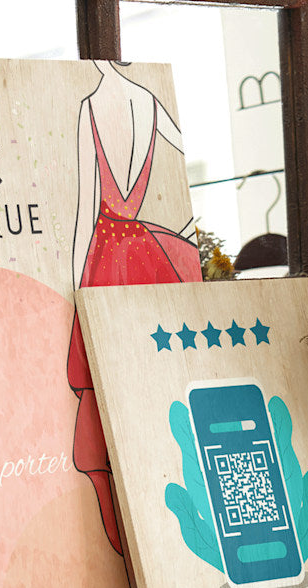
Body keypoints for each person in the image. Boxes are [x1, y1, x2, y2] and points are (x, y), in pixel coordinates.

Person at [68, 61, 201, 555]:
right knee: (158, 387)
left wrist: (75, 284)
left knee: (109, 394)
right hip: (150, 254)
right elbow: (181, 147)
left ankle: (127, 537)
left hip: (105, 257)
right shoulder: (149, 101)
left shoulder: (90, 106)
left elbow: (85, 209)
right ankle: (162, 519)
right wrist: (181, 237)